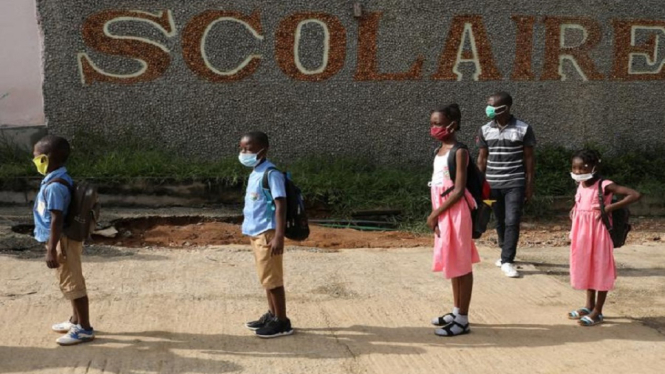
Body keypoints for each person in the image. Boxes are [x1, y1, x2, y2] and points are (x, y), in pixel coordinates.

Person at [32, 135, 94, 345]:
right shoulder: (56, 178)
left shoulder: (55, 186)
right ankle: (75, 319)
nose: (34, 160)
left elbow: (56, 219)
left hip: (62, 242)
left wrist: (51, 249)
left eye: (37, 157)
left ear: (47, 158)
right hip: (62, 240)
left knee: (73, 284)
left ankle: (84, 328)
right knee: (69, 282)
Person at [568, 150, 640, 326]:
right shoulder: (581, 184)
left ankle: (598, 311)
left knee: (600, 269)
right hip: (582, 234)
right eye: (574, 168)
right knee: (587, 267)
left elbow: (634, 194)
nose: (577, 172)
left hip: (599, 234)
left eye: (582, 167)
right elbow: (581, 202)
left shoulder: (604, 185)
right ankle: (588, 306)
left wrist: (609, 208)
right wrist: (574, 209)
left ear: (594, 167)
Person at [427, 104, 480, 337]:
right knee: (452, 261)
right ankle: (456, 311)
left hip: (456, 213)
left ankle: (463, 320)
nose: (434, 128)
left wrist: (434, 214)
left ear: (452, 125)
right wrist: (436, 215)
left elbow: (458, 190)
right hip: (443, 213)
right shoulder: (439, 151)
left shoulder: (459, 152)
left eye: (438, 123)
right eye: (432, 123)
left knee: (461, 264)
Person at [239, 131, 294, 338]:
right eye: (242, 148)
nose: (244, 152)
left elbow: (281, 205)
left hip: (268, 235)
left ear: (263, 149)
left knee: (273, 280)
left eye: (249, 149)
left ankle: (282, 322)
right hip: (256, 233)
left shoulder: (271, 173)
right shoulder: (256, 171)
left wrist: (279, 236)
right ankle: (272, 314)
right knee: (266, 278)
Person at [476, 91, 536, 278]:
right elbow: (482, 158)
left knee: (512, 220)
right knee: (499, 220)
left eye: (493, 106)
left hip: (514, 183)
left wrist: (529, 183)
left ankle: (507, 260)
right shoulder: (485, 129)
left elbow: (529, 158)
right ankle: (504, 252)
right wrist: (479, 182)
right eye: (488, 104)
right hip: (492, 183)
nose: (489, 108)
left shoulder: (523, 128)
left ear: (506, 108)